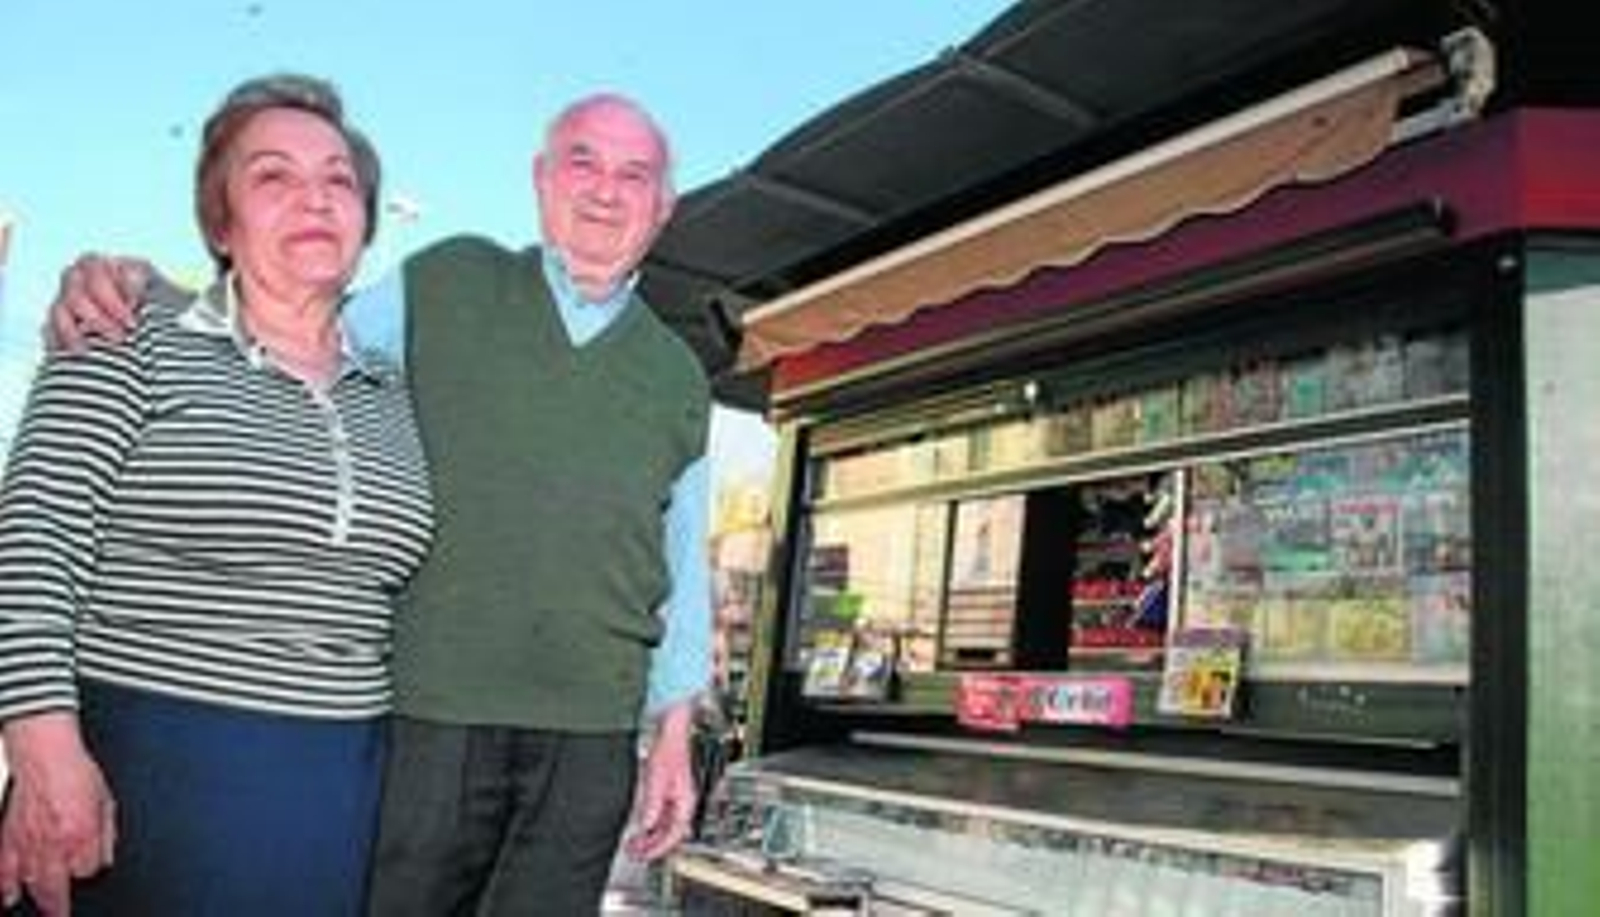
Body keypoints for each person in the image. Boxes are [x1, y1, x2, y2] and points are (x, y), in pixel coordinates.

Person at [45, 91, 713, 916]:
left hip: (591, 736)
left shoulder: (680, 375)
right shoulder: (447, 281)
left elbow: (683, 565)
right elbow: (290, 319)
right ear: (541, 180)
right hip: (430, 715)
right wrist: (145, 287)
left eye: (634, 173)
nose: (606, 190)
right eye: (582, 161)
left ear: (664, 205)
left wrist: (675, 735)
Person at [0, 74, 434, 916]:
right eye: (273, 175)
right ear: (221, 222)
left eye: (338, 178)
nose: (315, 196)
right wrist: (45, 752)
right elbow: (32, 542)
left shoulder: (398, 393)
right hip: (146, 776)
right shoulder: (126, 331)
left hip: (338, 790)